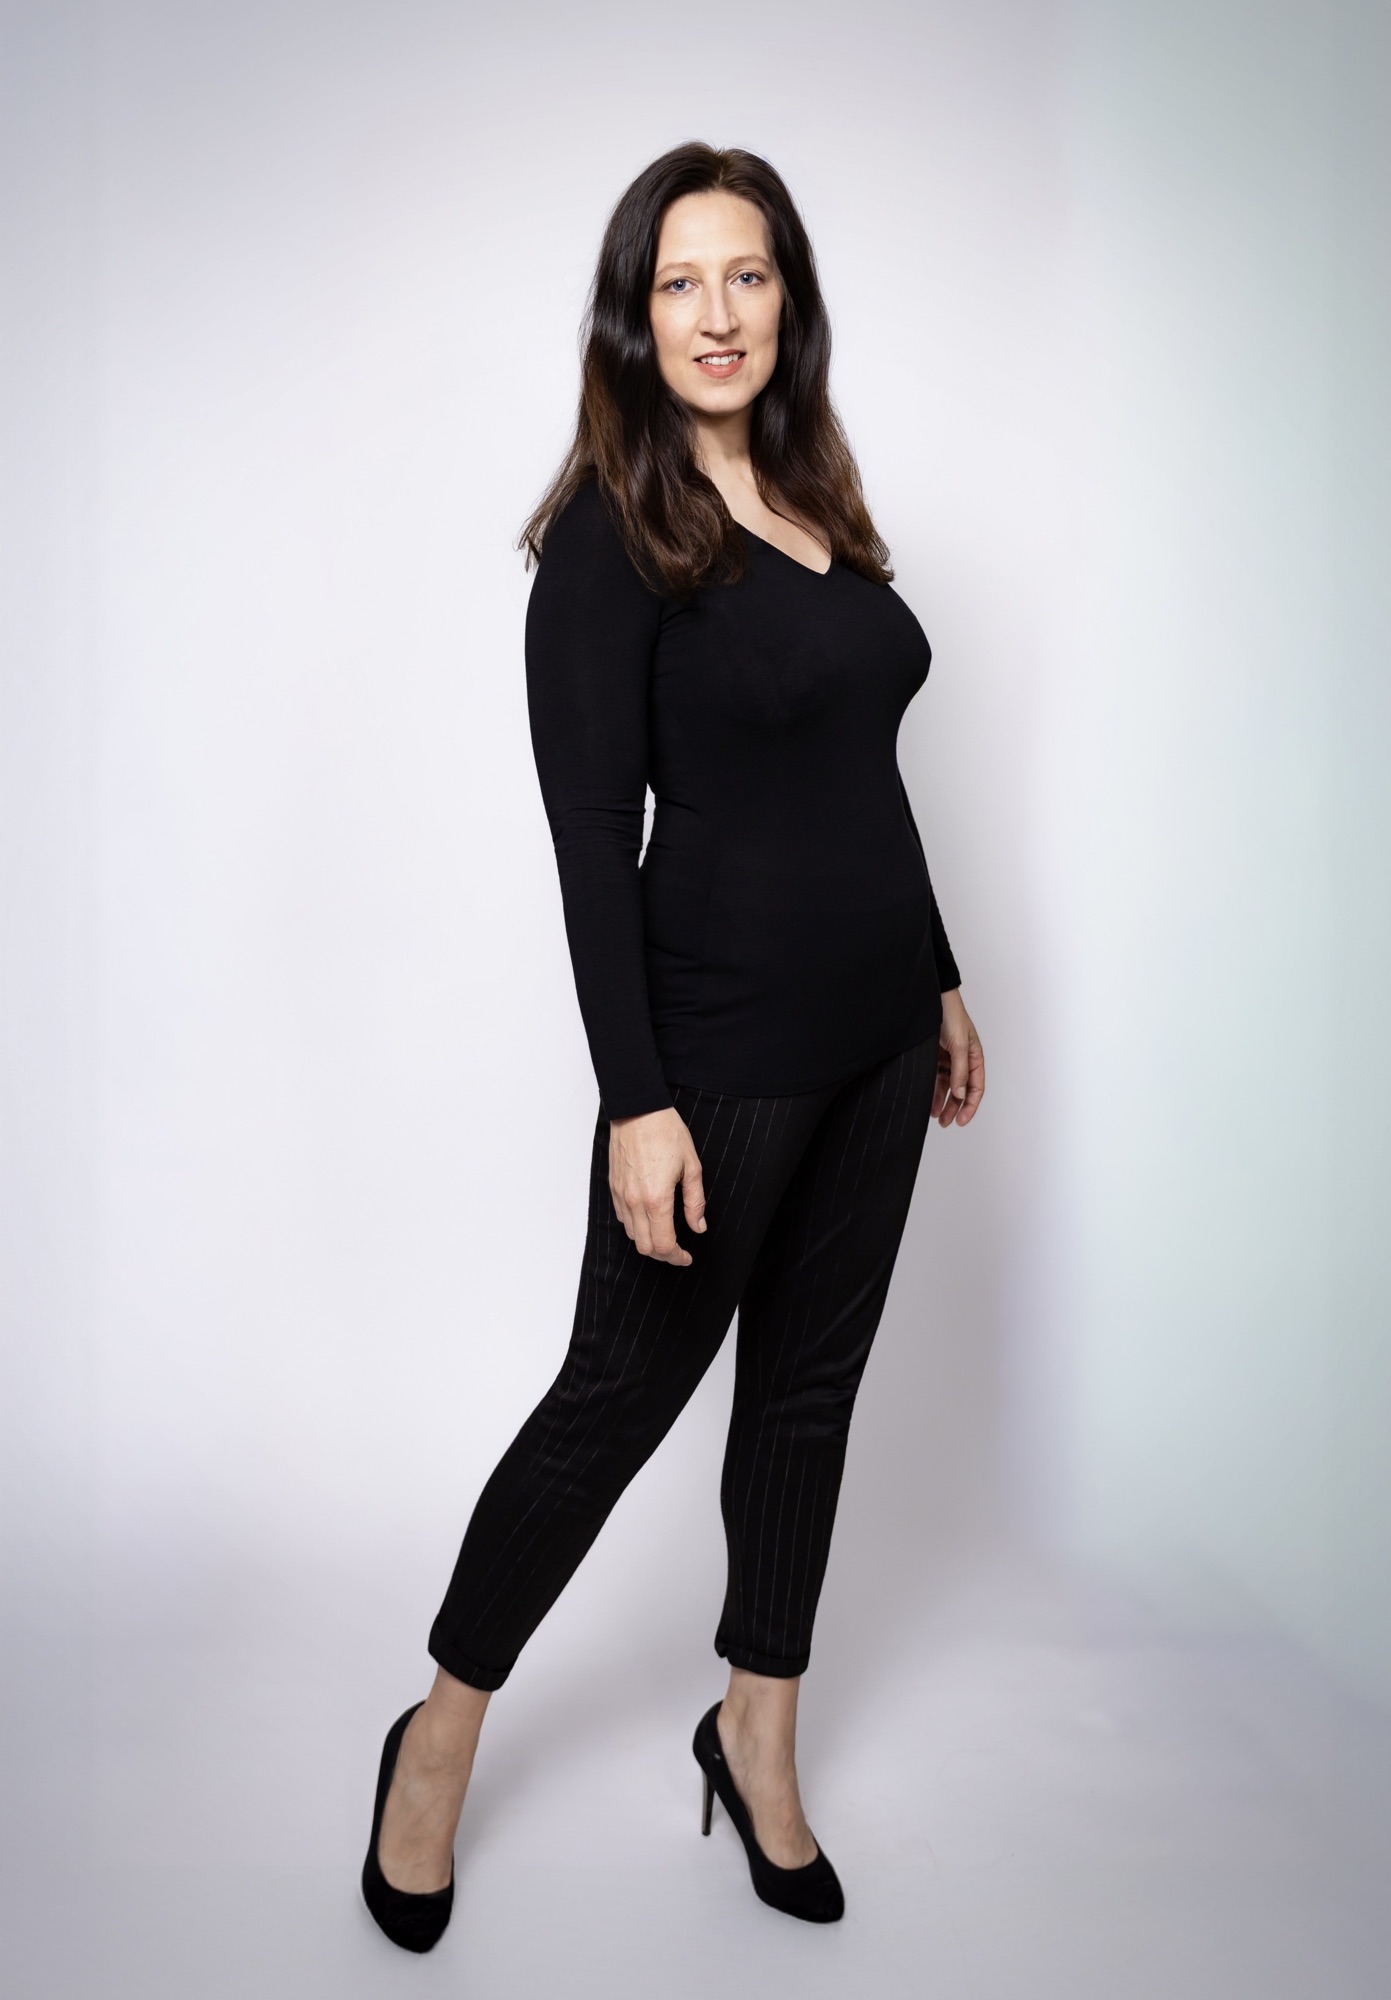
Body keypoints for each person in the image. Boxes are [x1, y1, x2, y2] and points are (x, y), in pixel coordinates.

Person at [360, 141, 985, 1952]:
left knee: (807, 1397)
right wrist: (637, 1100)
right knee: (610, 1407)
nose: (719, 313)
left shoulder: (813, 499)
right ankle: (435, 1742)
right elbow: (589, 846)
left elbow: (859, 776)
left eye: (749, 275)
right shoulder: (609, 540)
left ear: (790, 301)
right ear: (636, 316)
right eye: (681, 281)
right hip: (717, 1059)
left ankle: (755, 1735)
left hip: (882, 1039)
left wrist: (940, 975)